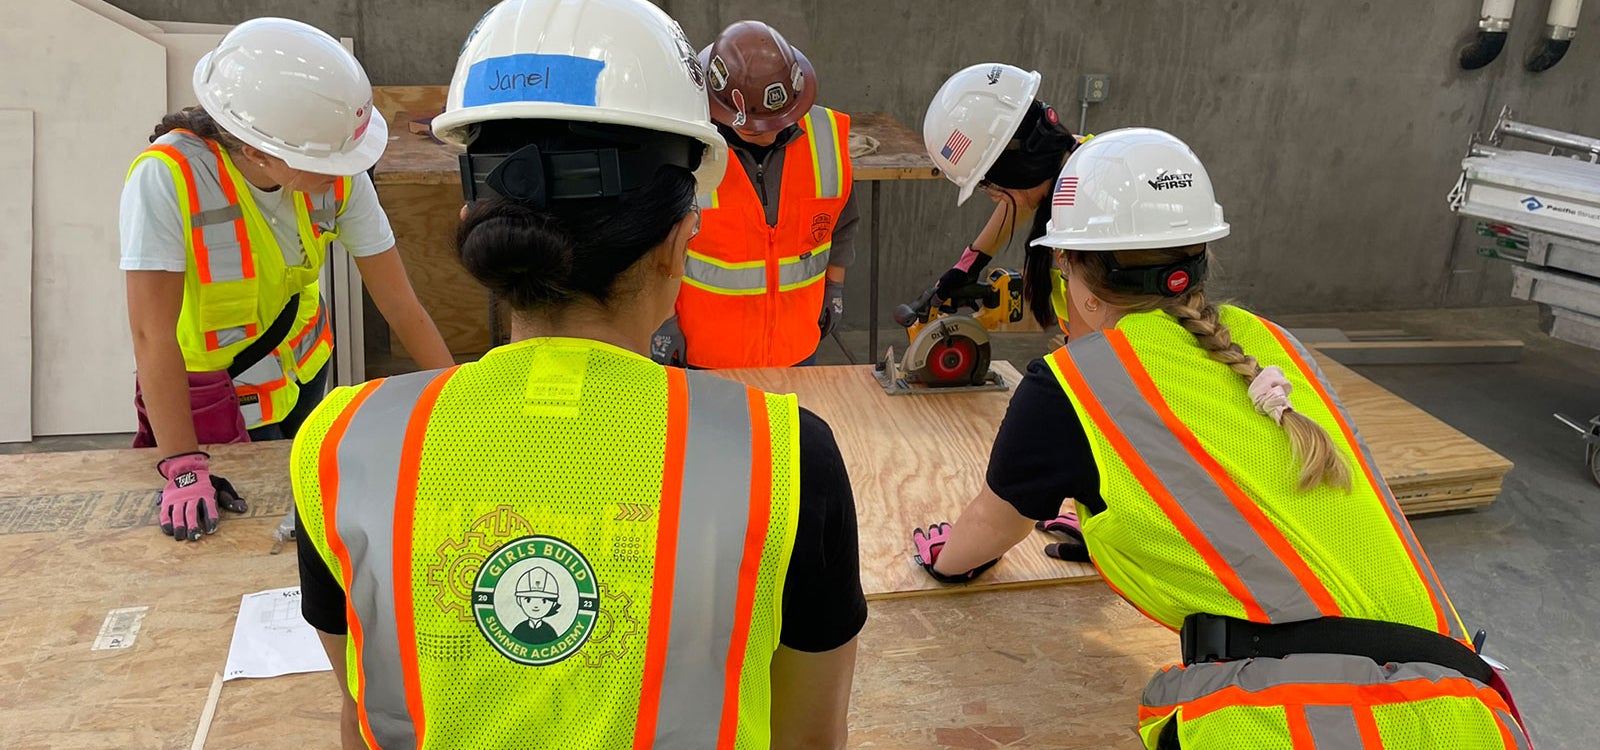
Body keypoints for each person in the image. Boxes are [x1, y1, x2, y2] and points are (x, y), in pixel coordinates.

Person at [291, 1, 866, 748]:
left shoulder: (342, 446)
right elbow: (809, 738)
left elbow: (360, 709)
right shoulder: (785, 462)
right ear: (676, 240)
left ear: (480, 216)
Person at [909, 129, 1530, 748]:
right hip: (1464, 705)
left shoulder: (1072, 385)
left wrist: (945, 562)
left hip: (1310, 722)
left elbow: (991, 529)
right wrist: (1122, 523)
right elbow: (1244, 481)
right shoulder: (1270, 344)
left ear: (1071, 270)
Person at [121, 17, 453, 543]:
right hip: (209, 397)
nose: (344, 173)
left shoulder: (335, 172)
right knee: (230, 548)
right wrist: (183, 465)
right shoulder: (169, 178)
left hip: (302, 378)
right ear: (256, 151)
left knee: (310, 528)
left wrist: (458, 410)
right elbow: (150, 335)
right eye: (326, 162)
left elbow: (401, 305)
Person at [651, 20, 859, 369]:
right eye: (754, 126)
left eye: (778, 120)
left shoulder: (826, 137)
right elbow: (654, 247)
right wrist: (662, 322)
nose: (767, 132)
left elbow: (843, 225)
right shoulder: (680, 148)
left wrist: (834, 289)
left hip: (796, 351)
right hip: (708, 355)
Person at [921, 63, 1084, 337]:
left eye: (992, 186)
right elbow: (1021, 200)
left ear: (1022, 170)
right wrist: (968, 265)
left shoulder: (1090, 207)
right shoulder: (1074, 164)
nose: (995, 196)